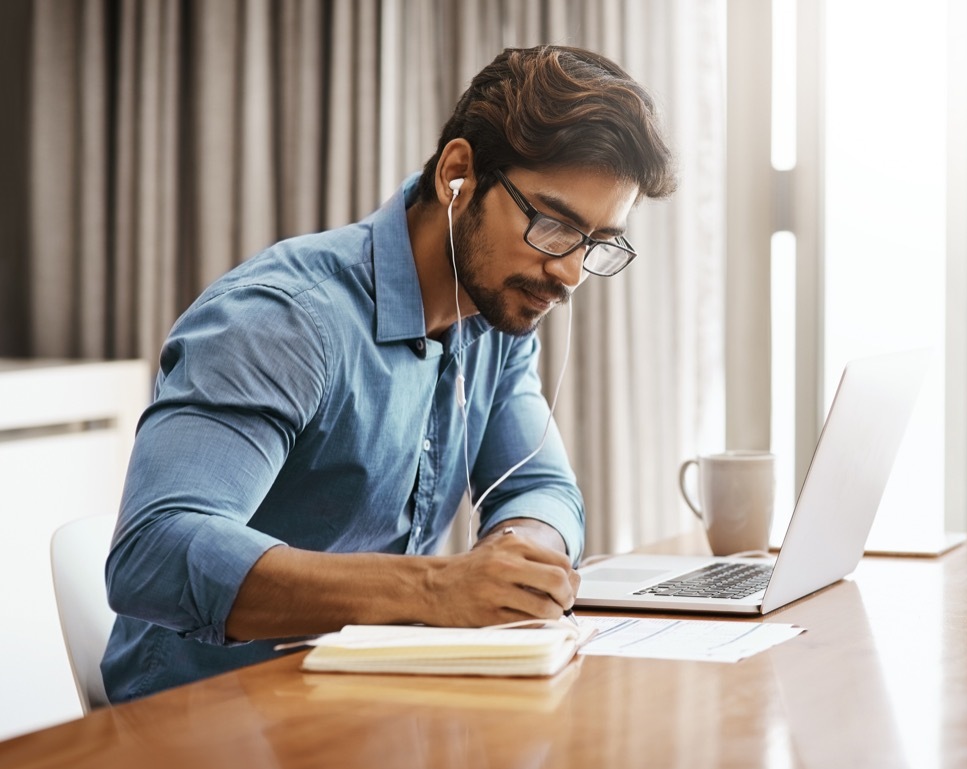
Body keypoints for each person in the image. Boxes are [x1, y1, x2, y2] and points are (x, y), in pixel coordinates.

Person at [101, 44, 676, 702]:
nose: (570, 274)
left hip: (371, 704)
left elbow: (541, 483)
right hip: (201, 721)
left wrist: (520, 556)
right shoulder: (283, 319)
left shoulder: (497, 313)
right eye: (553, 225)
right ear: (458, 174)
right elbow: (153, 553)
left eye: (597, 243)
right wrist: (440, 589)